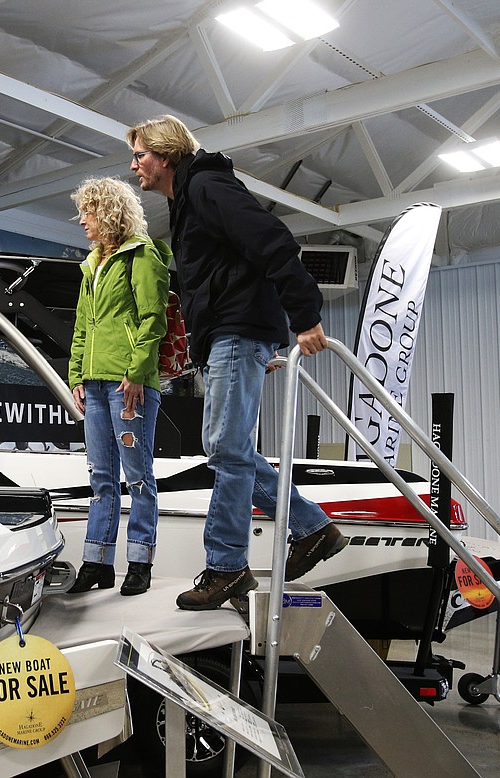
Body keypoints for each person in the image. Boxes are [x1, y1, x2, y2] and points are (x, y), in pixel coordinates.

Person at [126, 115, 348, 611]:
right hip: (232, 338)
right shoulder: (188, 201)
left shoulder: (206, 186)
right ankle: (311, 527)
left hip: (236, 333)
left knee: (226, 450)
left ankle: (228, 566)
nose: (134, 165)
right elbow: (220, 276)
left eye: (140, 155)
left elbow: (270, 238)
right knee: (226, 449)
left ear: (164, 155)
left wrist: (304, 317)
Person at [66, 176, 170, 597]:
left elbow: (153, 319)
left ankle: (140, 563)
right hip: (93, 384)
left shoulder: (141, 256)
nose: (82, 221)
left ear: (108, 213)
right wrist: (75, 375)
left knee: (139, 477)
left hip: (130, 386)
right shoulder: (90, 265)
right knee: (101, 478)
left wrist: (137, 372)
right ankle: (97, 563)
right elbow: (80, 327)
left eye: (88, 212)